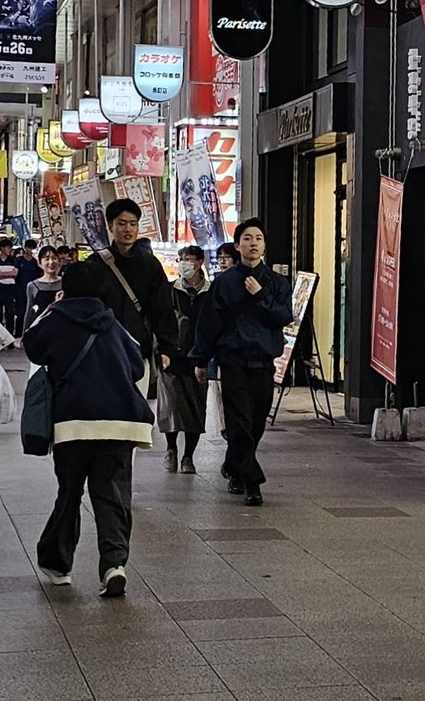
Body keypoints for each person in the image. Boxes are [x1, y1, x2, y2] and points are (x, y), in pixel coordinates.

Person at [23, 260, 154, 595]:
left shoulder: (56, 319)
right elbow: (137, 366)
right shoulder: (112, 323)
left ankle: (59, 564)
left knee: (69, 493)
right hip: (119, 423)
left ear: (65, 288)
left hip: (73, 423)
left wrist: (51, 309)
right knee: (112, 493)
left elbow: (32, 347)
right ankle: (114, 564)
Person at [191, 217, 292, 507]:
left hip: (263, 361)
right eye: (247, 239)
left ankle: (233, 465)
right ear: (238, 245)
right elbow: (209, 324)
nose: (253, 243)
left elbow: (284, 316)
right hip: (232, 360)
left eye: (258, 238)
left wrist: (260, 296)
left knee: (256, 423)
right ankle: (251, 481)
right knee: (239, 422)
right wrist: (201, 359)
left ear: (265, 245)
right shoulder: (224, 282)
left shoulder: (276, 282)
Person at [82, 198, 179, 382]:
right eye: (122, 223)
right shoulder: (95, 264)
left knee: (137, 399)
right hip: (103, 350)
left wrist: (167, 348)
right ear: (110, 226)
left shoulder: (150, 265)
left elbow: (162, 307)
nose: (128, 229)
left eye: (133, 224)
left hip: (139, 350)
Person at [159, 244, 210, 471]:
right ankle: (171, 450)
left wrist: (206, 356)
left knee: (195, 408)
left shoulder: (210, 292)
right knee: (170, 407)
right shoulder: (170, 290)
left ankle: (188, 456)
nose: (184, 264)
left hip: (198, 358)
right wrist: (161, 351)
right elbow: (159, 321)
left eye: (188, 259)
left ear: (199, 262)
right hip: (171, 357)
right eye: (181, 259)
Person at [0, 236, 21, 337]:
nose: (10, 250)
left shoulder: (13, 260)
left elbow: (15, 274)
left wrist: (0, 274)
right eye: (8, 247)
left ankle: (9, 335)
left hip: (10, 291)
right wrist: (8, 274)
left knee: (10, 313)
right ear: (2, 248)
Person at [26, 243, 65, 318]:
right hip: (40, 324)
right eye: (47, 259)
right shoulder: (33, 285)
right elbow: (29, 312)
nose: (51, 262)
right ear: (39, 263)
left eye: (54, 258)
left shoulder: (65, 282)